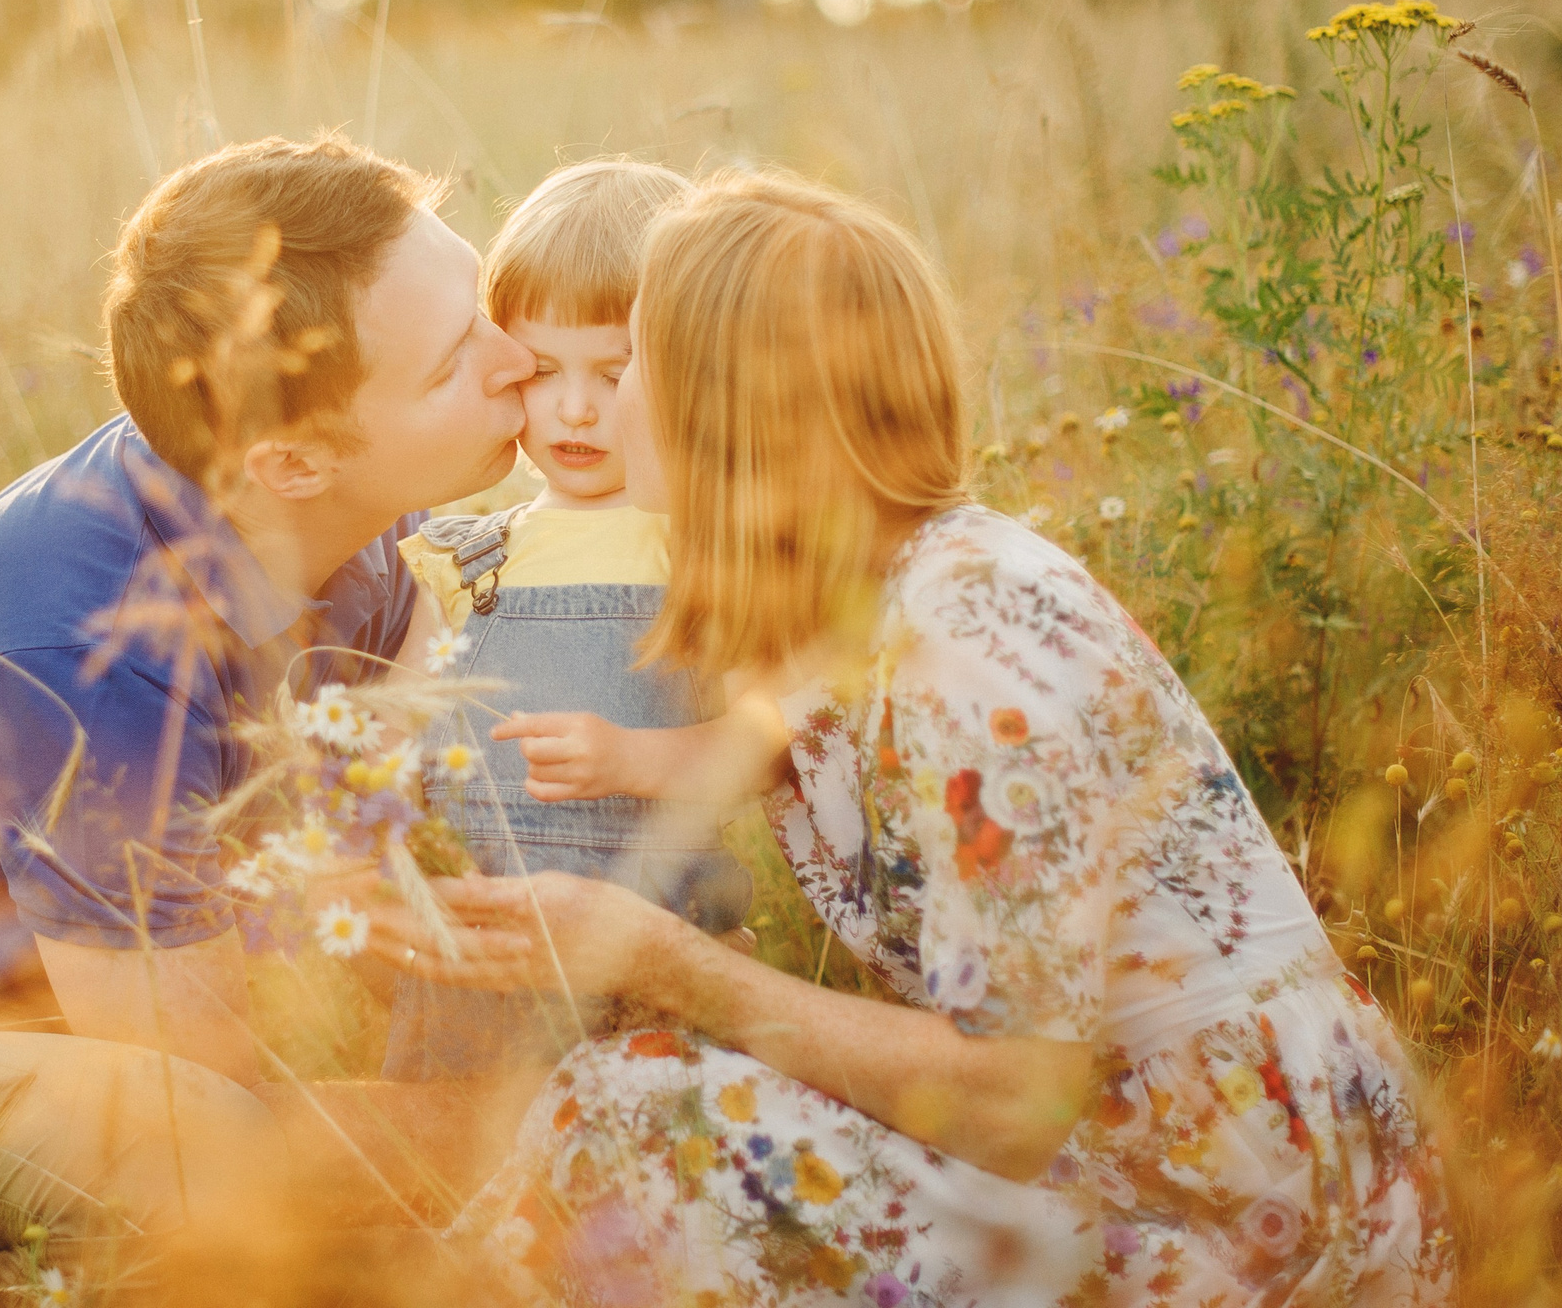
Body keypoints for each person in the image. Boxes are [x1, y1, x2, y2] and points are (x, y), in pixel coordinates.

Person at [409, 174, 1454, 1306]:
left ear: (730, 403)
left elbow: (1014, 1097)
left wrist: (658, 958)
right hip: (1142, 1161)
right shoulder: (856, 601)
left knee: (626, 1111)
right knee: (624, 1107)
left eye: (634, 367)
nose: (602, 411)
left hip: (1252, 1221)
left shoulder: (963, 637)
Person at [0, 136, 542, 1305]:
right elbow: (203, 1060)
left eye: (480, 305)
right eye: (451, 364)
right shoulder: (75, 633)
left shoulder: (369, 530)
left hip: (64, 1072)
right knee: (221, 1156)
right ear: (291, 463)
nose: (517, 357)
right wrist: (507, 1117)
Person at [381, 160, 754, 1081]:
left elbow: (774, 743)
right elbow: (391, 726)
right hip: (475, 953)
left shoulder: (701, 551)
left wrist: (636, 760)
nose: (577, 408)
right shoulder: (464, 556)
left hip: (651, 954)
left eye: (616, 371)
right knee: (449, 1169)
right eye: (543, 370)